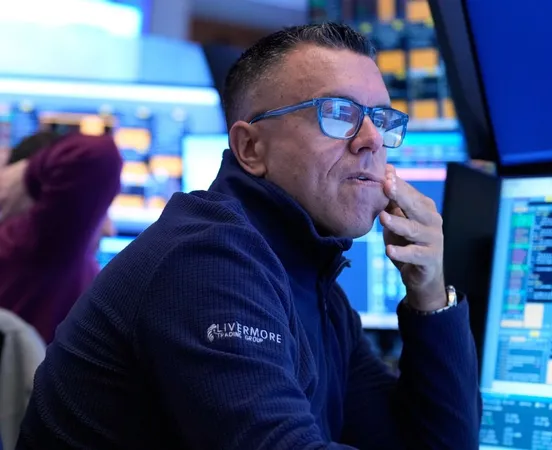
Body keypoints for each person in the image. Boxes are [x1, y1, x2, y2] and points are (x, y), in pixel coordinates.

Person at [18, 23, 481, 449]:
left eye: (381, 119)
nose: (372, 139)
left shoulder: (317, 289)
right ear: (251, 148)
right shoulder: (205, 261)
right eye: (338, 113)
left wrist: (429, 295)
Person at [0, 131, 122, 343]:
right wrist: (27, 174)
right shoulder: (37, 247)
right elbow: (96, 154)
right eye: (96, 210)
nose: (109, 230)